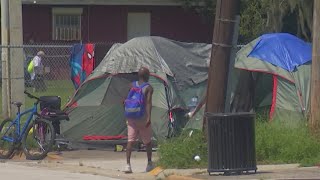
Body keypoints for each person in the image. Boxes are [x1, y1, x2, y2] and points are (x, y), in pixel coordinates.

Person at [123, 67, 154, 173]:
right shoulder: (148, 87)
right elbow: (149, 103)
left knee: (130, 141)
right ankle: (149, 164)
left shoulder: (131, 85)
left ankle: (128, 165)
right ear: (147, 76)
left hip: (131, 117)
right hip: (142, 117)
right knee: (148, 142)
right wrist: (149, 117)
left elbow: (125, 100)